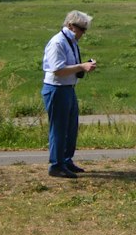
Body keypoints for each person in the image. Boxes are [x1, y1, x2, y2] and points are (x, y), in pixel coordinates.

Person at [41, 10, 98, 178]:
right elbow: (58, 70)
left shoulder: (71, 41)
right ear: (71, 25)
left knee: (70, 127)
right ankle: (56, 165)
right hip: (56, 89)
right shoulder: (57, 42)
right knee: (59, 128)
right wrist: (81, 67)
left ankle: (66, 160)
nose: (83, 33)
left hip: (68, 88)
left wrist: (83, 65)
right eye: (81, 29)